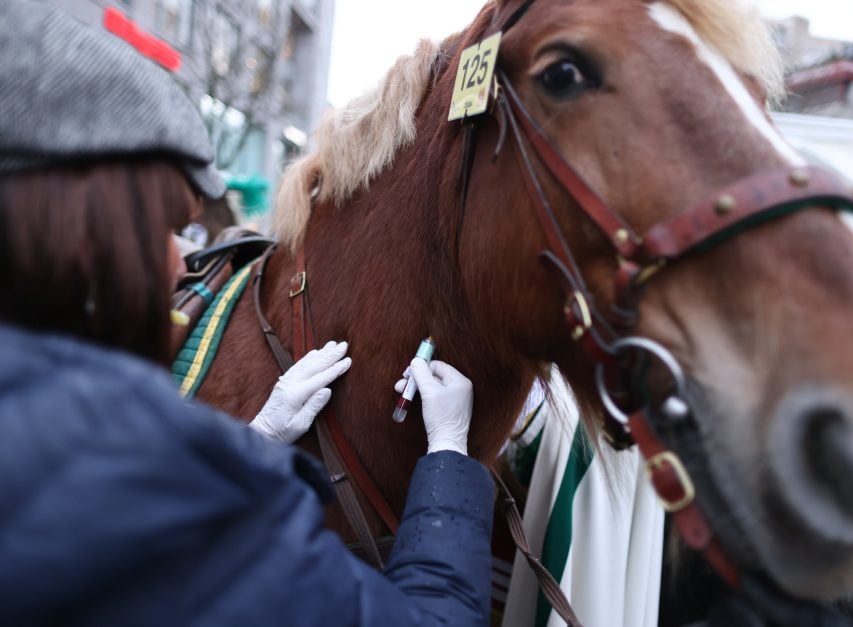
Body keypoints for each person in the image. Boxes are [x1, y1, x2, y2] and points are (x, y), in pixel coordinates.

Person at [0, 3, 493, 625]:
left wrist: (254, 439)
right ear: (83, 237)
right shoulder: (129, 456)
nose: (182, 263)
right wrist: (449, 456)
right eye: (166, 229)